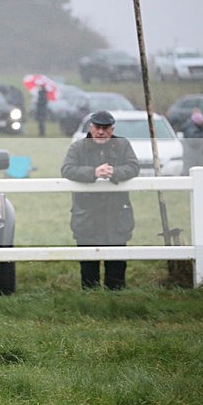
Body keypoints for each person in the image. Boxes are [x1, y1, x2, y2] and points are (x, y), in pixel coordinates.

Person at [61, 110, 140, 290]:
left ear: (112, 130)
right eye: (98, 128)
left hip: (117, 214)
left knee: (117, 266)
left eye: (105, 128)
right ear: (91, 127)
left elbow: (134, 167)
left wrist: (115, 172)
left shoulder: (123, 145)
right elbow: (67, 169)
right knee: (89, 267)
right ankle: (91, 301)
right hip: (87, 215)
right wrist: (93, 173)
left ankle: (116, 301)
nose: (101, 132)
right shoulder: (77, 147)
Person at [181, 107, 203, 175]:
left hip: (196, 157)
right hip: (192, 157)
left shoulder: (197, 127)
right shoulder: (191, 127)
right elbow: (194, 141)